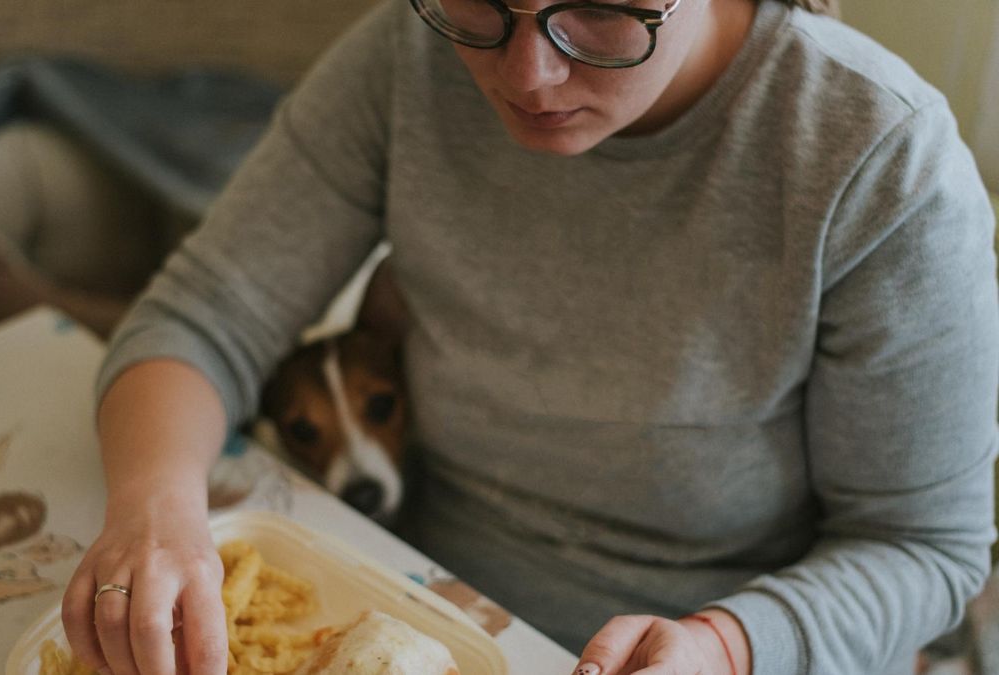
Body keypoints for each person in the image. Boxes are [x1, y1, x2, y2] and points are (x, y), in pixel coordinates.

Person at [60, 0, 999, 673]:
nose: (527, 77)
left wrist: (725, 645)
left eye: (596, 10)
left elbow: (922, 546)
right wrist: (156, 508)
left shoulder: (880, 163)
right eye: (481, 4)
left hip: (717, 626)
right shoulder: (403, 54)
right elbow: (204, 312)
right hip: (413, 590)